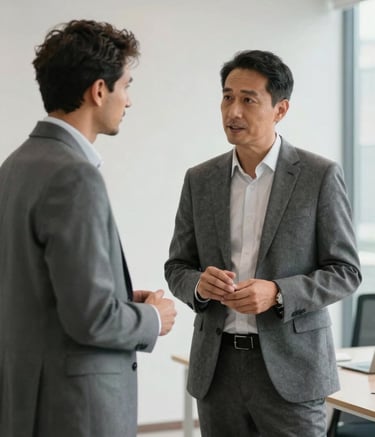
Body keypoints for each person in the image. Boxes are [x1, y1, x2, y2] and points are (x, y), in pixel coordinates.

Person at [164, 49, 361, 437]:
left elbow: (346, 271)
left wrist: (278, 293)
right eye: (227, 97)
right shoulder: (199, 180)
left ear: (280, 109)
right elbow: (177, 267)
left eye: (248, 100)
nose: (233, 111)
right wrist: (199, 286)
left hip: (293, 372)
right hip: (216, 371)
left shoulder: (318, 176)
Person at [0, 19, 176, 437]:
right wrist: (152, 317)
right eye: (126, 86)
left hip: (25, 401)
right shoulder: (74, 176)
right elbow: (91, 319)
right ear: (99, 91)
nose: (128, 101)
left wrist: (118, 295)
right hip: (74, 413)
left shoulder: (14, 166)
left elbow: (35, 288)